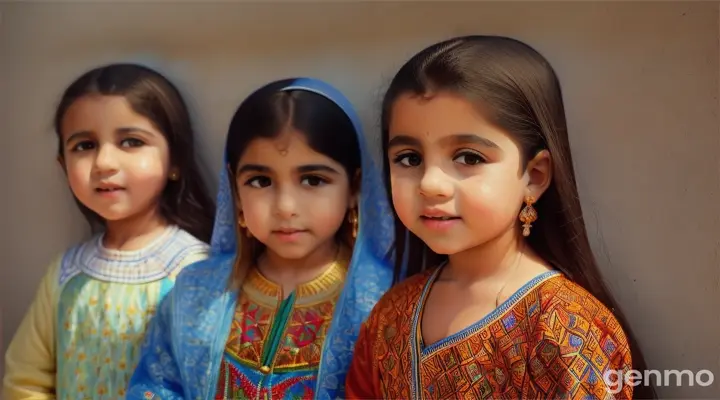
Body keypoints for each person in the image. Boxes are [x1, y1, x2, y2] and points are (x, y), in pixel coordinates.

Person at [345, 35, 656, 399]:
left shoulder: (566, 329)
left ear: (534, 176)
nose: (430, 184)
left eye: (469, 158)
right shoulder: (391, 316)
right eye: (409, 159)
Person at [126, 77, 394, 400]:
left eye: (312, 180)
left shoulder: (382, 304)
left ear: (354, 188)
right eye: (260, 181)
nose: (285, 207)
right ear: (235, 192)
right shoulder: (195, 293)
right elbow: (156, 386)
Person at [2, 63, 216, 400]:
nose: (104, 163)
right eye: (84, 145)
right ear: (63, 164)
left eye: (131, 142)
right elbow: (26, 380)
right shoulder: (65, 273)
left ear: (175, 160)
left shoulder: (196, 272)